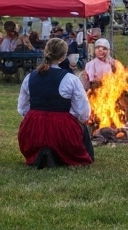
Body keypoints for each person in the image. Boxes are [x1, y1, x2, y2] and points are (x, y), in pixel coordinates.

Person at [17, 38, 93, 168]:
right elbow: (83, 113)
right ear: (64, 57)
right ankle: (58, 153)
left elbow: (22, 109)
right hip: (61, 130)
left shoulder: (30, 77)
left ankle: (41, 152)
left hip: (33, 130)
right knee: (82, 129)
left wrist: (37, 118)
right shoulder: (71, 79)